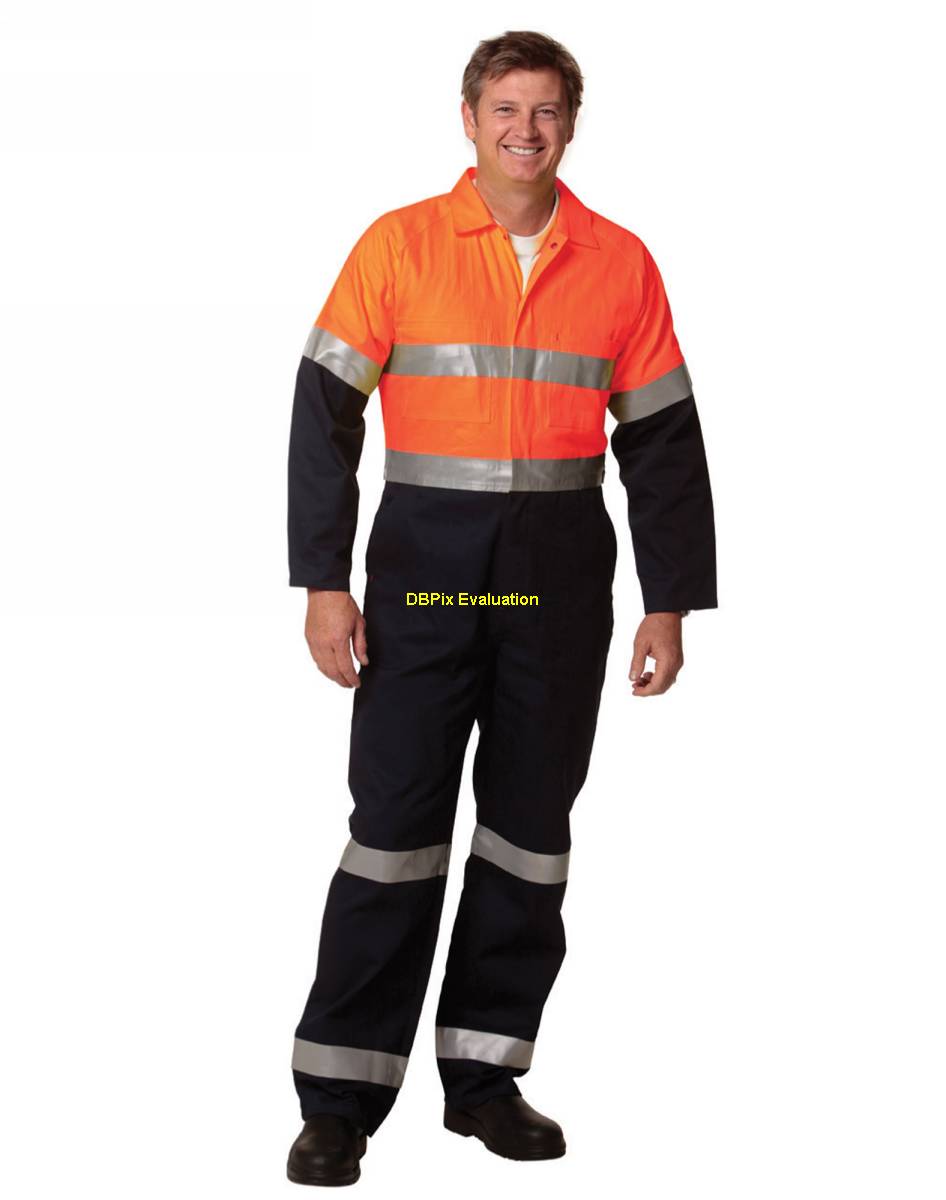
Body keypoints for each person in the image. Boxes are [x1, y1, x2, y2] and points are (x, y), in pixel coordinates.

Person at [284, 29, 717, 1186]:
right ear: (469, 120)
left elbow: (663, 443)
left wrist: (669, 601)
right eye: (505, 109)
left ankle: (483, 1080)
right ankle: (339, 1100)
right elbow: (322, 415)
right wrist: (323, 581)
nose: (526, 130)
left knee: (528, 834)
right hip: (424, 571)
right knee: (394, 832)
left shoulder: (620, 262)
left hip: (558, 577)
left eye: (546, 110)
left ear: (570, 124)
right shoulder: (399, 245)